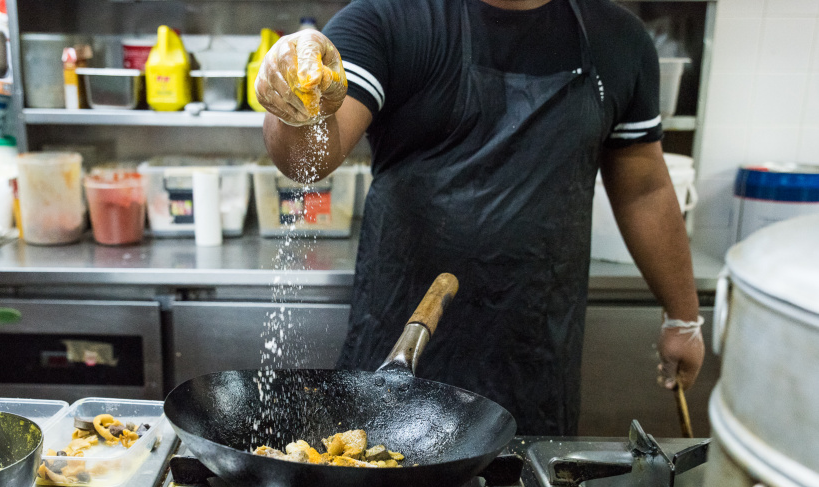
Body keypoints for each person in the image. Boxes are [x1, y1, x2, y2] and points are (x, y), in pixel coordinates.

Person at [256, 0, 705, 435]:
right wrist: (294, 97)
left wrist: (683, 318)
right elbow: (306, 161)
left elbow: (644, 189)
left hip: (534, 358)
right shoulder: (387, 17)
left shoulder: (618, 39)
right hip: (399, 347)